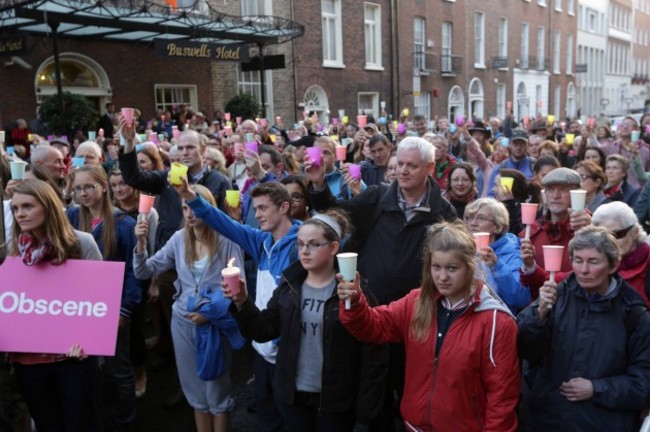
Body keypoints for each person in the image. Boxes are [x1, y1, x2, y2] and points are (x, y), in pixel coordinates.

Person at [337, 221, 520, 432]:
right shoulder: (416, 302)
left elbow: (502, 395)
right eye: (436, 267)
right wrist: (355, 302)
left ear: (471, 266)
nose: (442, 277)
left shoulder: (496, 321)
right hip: (414, 426)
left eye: (452, 268)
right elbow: (373, 327)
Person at [224, 211, 386, 431]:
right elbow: (264, 329)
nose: (304, 251)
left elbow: (373, 353)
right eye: (300, 244)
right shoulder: (289, 286)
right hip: (292, 397)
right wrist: (242, 301)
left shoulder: (354, 292)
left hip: (335, 401)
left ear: (334, 248)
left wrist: (366, 412)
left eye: (313, 244)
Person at [176, 179, 301, 432]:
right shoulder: (262, 241)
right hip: (262, 347)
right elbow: (221, 221)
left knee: (292, 420)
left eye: (264, 208)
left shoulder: (301, 245)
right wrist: (189, 194)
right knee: (266, 417)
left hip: (287, 354)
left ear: (284, 207)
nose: (257, 215)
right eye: (255, 209)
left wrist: (279, 342)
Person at [133, 184, 245, 432]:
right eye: (185, 208)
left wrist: (210, 313)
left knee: (217, 392)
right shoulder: (178, 239)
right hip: (182, 321)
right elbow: (143, 271)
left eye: (194, 207)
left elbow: (238, 289)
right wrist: (140, 244)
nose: (190, 214)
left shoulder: (226, 239)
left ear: (207, 208)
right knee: (194, 392)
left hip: (214, 324)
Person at [517, 225, 650, 431]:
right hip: (548, 418)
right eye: (578, 260)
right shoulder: (558, 294)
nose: (583, 270)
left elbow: (643, 383)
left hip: (601, 421)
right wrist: (539, 314)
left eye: (593, 261)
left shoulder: (633, 313)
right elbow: (526, 351)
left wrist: (596, 389)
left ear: (613, 266)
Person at [9, 179, 102, 431]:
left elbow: (99, 301)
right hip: (28, 363)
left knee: (80, 425)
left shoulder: (81, 243)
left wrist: (88, 340)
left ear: (48, 206)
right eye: (15, 208)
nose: (20, 214)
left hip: (72, 359)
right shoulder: (13, 252)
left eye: (27, 206)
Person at [67, 166, 142, 431]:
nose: (83, 193)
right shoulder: (71, 217)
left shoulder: (124, 224)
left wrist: (124, 311)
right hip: (78, 308)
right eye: (77, 188)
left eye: (88, 187)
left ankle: (125, 423)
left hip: (113, 309)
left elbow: (133, 274)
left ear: (103, 187)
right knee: (88, 369)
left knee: (118, 371)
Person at [519, 168, 592, 298]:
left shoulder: (590, 228)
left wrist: (592, 230)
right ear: (544, 195)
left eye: (563, 189)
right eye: (551, 189)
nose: (555, 195)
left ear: (577, 194)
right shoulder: (530, 234)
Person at [464, 198, 530, 312]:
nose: (473, 223)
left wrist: (496, 265)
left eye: (481, 218)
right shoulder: (462, 250)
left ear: (497, 226)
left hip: (498, 318)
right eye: (470, 217)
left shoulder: (512, 253)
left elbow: (520, 299)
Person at [592, 202, 650, 306]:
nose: (610, 241)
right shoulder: (598, 263)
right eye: (603, 236)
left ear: (635, 232)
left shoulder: (647, 262)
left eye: (617, 234)